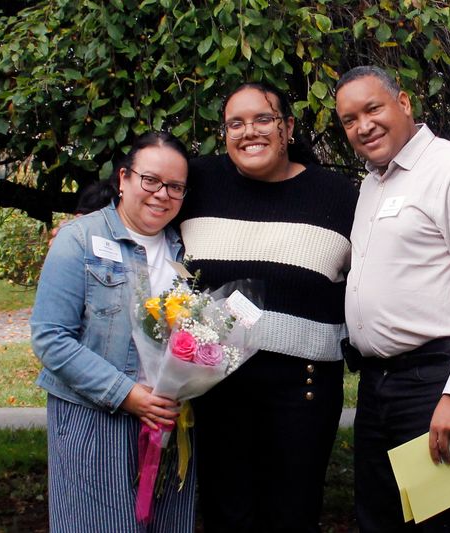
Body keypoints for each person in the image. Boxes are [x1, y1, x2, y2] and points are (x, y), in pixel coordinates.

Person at [335, 65, 450, 532]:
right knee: (379, 520)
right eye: (349, 119)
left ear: (405, 102)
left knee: (439, 524)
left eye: (373, 108)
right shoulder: (373, 183)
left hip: (435, 382)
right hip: (377, 387)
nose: (363, 125)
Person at [177, 82, 358, 532]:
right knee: (226, 514)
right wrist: (84, 225)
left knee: (292, 516)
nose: (248, 132)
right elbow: (132, 196)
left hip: (304, 392)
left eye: (263, 119)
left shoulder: (338, 197)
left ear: (288, 127)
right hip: (215, 388)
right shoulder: (198, 182)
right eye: (235, 123)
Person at [30, 132, 195, 532]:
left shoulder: (184, 250)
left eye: (175, 187)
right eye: (150, 180)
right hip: (95, 421)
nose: (161, 195)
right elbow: (51, 337)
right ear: (123, 179)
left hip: (168, 425)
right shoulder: (78, 239)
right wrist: (126, 394)